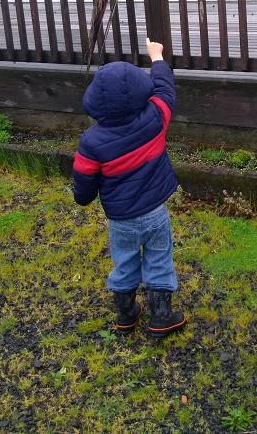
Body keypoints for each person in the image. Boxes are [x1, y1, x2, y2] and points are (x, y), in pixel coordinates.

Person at [72, 38, 186, 338]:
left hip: (120, 219)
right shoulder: (155, 118)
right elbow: (164, 89)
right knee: (159, 258)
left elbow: (84, 181)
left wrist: (82, 198)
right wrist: (157, 58)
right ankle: (161, 317)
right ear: (139, 91)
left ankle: (126, 314)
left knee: (123, 262)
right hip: (155, 212)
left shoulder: (90, 141)